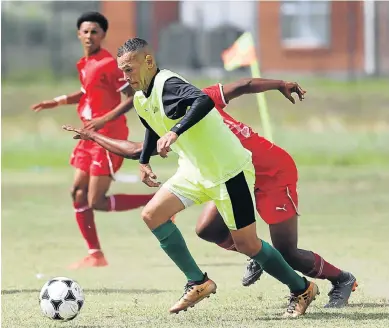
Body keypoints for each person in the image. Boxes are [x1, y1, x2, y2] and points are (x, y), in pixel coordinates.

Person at [63, 76, 357, 308]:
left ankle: (342, 279)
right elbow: (139, 147)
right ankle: (254, 251)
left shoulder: (198, 99)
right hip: (230, 174)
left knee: (287, 252)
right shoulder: (164, 117)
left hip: (272, 172)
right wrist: (92, 135)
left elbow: (243, 84)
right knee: (206, 229)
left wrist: (279, 84)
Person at [111, 37, 318, 317]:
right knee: (152, 215)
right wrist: (145, 160)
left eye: (129, 69)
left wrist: (175, 131)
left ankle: (302, 288)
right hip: (195, 170)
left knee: (248, 244)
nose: (126, 76)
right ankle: (198, 281)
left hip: (228, 170)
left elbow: (202, 101)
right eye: (122, 70)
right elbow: (151, 124)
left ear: (148, 61)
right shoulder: (140, 98)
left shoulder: (168, 83)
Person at [30, 12, 155, 269]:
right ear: (79, 34)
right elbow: (87, 92)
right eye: (85, 31)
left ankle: (156, 202)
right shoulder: (87, 63)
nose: (89, 36)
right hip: (88, 136)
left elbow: (133, 96)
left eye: (94, 31)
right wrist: (56, 102)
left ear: (103, 35)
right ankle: (95, 254)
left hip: (108, 137)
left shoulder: (109, 63)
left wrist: (103, 120)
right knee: (77, 193)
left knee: (95, 200)